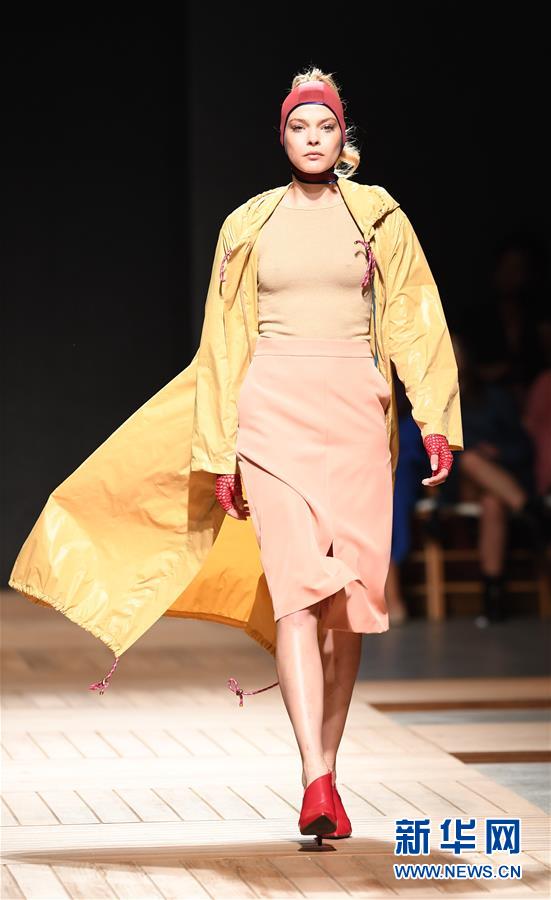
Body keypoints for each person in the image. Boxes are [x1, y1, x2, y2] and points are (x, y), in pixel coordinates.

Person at [8, 67, 463, 843]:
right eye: (298, 126)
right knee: (296, 595)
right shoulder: (249, 223)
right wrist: (221, 449)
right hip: (272, 414)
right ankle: (313, 777)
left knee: (349, 607)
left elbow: (414, 319)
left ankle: (328, 766)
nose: (312, 139)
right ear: (281, 136)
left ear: (341, 136)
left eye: (324, 126)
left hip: (356, 414)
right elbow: (222, 343)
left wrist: (435, 418)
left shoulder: (378, 215)